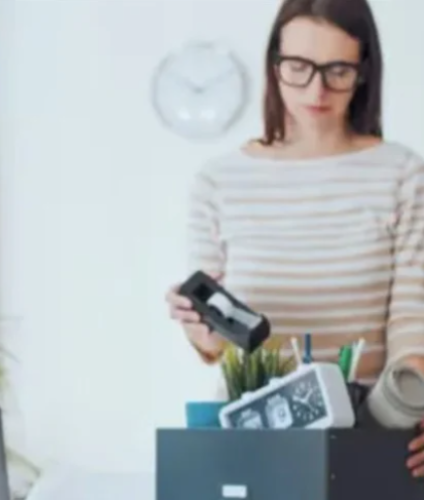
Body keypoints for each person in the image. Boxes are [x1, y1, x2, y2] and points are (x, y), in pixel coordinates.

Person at [164, 0, 424, 477]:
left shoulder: (402, 173)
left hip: (370, 437)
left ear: (364, 71)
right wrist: (200, 333)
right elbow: (215, 342)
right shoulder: (218, 181)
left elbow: (413, 320)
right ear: (274, 65)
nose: (316, 90)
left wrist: (416, 399)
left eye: (338, 70)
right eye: (299, 68)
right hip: (254, 443)